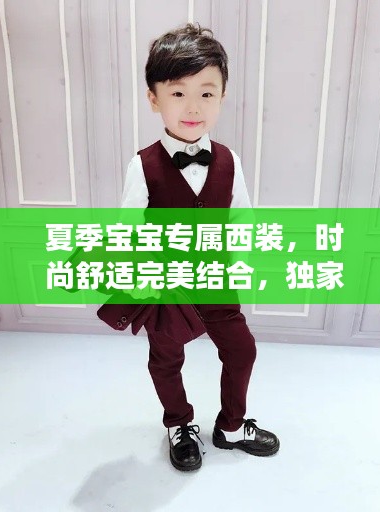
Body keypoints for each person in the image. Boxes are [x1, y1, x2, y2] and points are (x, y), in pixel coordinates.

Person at [121, 22, 280, 472]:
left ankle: (231, 426)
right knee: (166, 357)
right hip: (167, 285)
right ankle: (179, 423)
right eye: (178, 93)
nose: (193, 107)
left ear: (222, 97)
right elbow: (126, 229)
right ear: (154, 98)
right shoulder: (143, 164)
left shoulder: (229, 159)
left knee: (241, 349)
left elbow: (242, 217)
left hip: (217, 277)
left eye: (206, 93)